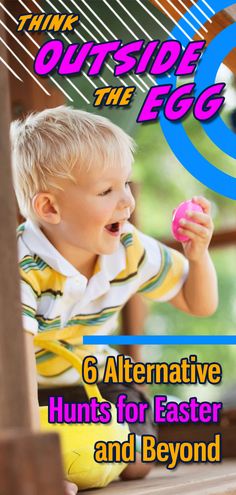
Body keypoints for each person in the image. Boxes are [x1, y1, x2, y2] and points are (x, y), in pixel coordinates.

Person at [11, 106, 218, 494]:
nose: (126, 203)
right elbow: (17, 368)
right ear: (50, 208)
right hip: (28, 389)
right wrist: (35, 454)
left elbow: (198, 304)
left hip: (97, 379)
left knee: (138, 462)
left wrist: (198, 256)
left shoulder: (128, 248)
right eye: (106, 191)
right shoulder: (20, 266)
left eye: (125, 184)